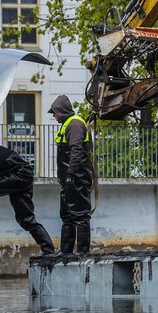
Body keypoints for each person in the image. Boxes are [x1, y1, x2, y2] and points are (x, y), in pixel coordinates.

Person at [48, 95, 93, 254]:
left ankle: (82, 252)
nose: (54, 116)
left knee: (80, 215)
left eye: (55, 113)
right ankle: (66, 252)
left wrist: (71, 174)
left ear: (61, 111)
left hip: (77, 179)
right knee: (67, 215)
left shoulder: (74, 124)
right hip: (69, 180)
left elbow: (77, 150)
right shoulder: (67, 124)